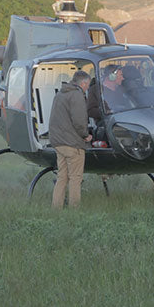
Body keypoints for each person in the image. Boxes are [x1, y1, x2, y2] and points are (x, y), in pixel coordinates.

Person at [48, 69, 92, 209]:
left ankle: (56, 208)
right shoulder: (77, 95)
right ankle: (74, 209)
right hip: (73, 144)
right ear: (83, 83)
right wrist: (85, 135)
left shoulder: (60, 93)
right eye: (88, 85)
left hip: (58, 143)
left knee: (62, 177)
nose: (87, 88)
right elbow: (79, 121)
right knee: (75, 178)